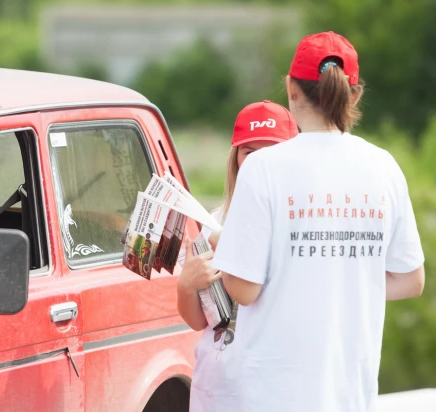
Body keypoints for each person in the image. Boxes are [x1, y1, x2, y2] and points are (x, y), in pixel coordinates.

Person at [208, 31, 424, 412]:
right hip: (352, 391)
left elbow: (244, 290)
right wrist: (342, 278)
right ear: (354, 95)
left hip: (270, 393)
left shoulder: (262, 167)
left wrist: (224, 250)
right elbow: (411, 280)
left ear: (291, 89)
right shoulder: (384, 167)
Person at [177, 101, 298, 412]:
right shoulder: (213, 223)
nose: (258, 162)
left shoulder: (302, 225)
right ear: (236, 159)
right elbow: (197, 321)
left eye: (270, 152)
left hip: (278, 388)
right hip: (218, 388)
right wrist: (186, 285)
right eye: (249, 152)